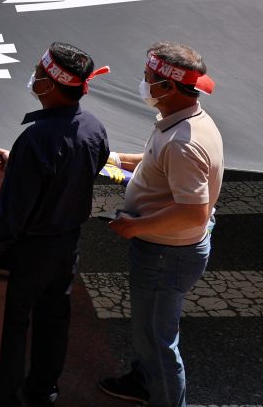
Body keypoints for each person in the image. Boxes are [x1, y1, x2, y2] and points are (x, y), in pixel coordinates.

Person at [0, 43, 110, 407]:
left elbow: (12, 214)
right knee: (53, 321)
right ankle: (43, 392)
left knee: (8, 329)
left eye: (39, 75)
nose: (34, 80)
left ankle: (0, 401)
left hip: (27, 251)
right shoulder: (94, 127)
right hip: (66, 246)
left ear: (52, 86)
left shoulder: (36, 139)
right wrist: (21, 167)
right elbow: (77, 172)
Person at [99, 43, 222, 407]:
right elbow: (154, 162)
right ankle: (143, 381)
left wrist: (134, 227)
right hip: (165, 249)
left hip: (167, 254)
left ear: (167, 88)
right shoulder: (182, 121)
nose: (143, 83)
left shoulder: (184, 143)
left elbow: (193, 212)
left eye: (148, 78)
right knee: (148, 330)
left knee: (158, 338)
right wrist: (113, 159)